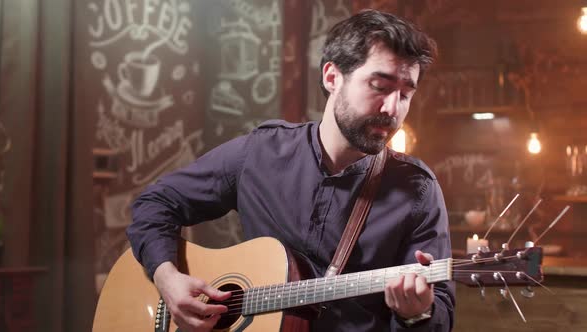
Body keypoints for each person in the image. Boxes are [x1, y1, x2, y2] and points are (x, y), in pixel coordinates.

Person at [127, 9, 454, 332]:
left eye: (405, 93)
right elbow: (154, 204)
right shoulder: (260, 154)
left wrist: (417, 313)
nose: (392, 108)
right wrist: (167, 278)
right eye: (380, 86)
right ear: (332, 77)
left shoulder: (417, 190)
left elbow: (439, 317)